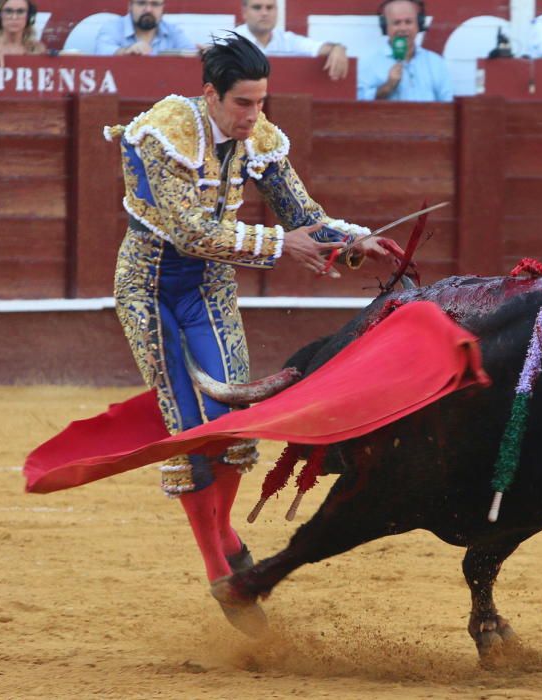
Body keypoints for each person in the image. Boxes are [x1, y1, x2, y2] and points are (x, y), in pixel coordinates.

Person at [104, 34, 391, 634]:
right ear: (210, 94)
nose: (254, 115)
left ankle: (222, 530)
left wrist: (351, 238)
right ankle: (220, 564)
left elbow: (300, 213)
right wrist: (280, 246)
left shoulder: (257, 136)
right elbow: (188, 232)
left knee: (232, 418)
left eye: (261, 103)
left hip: (208, 288)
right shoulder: (165, 131)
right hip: (149, 288)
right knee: (189, 425)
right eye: (243, 104)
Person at [357, 0, 453, 101]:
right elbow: (357, 104)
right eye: (396, 23)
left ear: (418, 25)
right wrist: (387, 87)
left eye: (408, 22)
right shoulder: (369, 64)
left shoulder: (436, 63)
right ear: (385, 27)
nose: (403, 28)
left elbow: (449, 102)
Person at [234, 0, 349, 81]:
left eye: (270, 7)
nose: (264, 13)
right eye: (257, 7)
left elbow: (316, 47)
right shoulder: (230, 41)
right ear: (245, 12)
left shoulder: (287, 40)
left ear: (276, 12)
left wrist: (337, 48)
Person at [95, 0, 195, 56]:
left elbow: (191, 53)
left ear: (163, 8)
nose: (148, 9)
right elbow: (101, 53)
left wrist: (203, 54)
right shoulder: (112, 27)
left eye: (155, 4)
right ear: (130, 6)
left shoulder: (173, 31)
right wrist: (126, 51)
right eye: (141, 3)